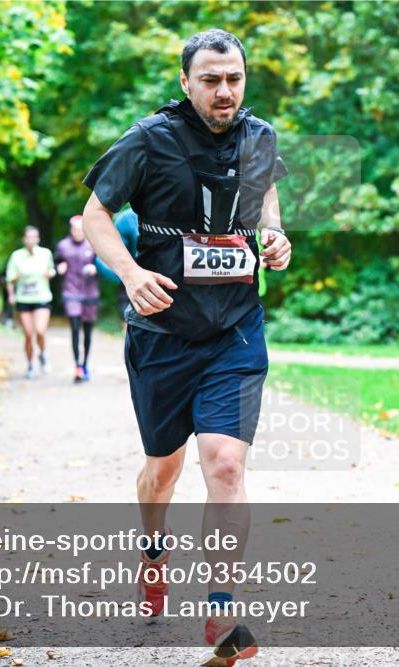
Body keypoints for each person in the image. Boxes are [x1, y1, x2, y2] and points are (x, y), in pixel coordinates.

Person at [80, 29, 291, 666]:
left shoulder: (260, 137)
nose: (224, 91)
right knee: (163, 471)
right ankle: (152, 549)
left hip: (234, 326)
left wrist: (274, 236)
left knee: (225, 464)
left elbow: (267, 196)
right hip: (163, 336)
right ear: (185, 82)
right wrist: (132, 273)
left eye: (234, 78)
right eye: (210, 79)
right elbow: (94, 214)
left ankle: (223, 607)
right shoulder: (150, 139)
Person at [6, 226, 56, 379]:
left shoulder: (45, 253)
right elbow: (10, 278)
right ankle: (30, 365)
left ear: (38, 239)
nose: (31, 240)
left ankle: (42, 353)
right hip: (24, 299)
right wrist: (11, 294)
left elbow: (52, 270)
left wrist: (49, 274)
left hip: (42, 298)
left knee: (40, 331)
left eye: (34, 237)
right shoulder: (16, 256)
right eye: (28, 237)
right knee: (28, 334)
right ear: (24, 239)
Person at [56, 215, 100, 382]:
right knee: (75, 328)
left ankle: (85, 363)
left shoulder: (94, 244)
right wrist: (59, 267)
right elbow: (57, 262)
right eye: (75, 230)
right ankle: (77, 366)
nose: (78, 233)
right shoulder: (63, 246)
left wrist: (94, 268)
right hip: (71, 292)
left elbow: (102, 264)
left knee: (87, 332)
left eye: (81, 230)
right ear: (71, 230)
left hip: (90, 293)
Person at [94, 206, 140, 332]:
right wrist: (126, 276)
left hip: (181, 289)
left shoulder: (193, 211)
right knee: (132, 327)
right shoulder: (127, 219)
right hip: (134, 286)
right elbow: (110, 254)